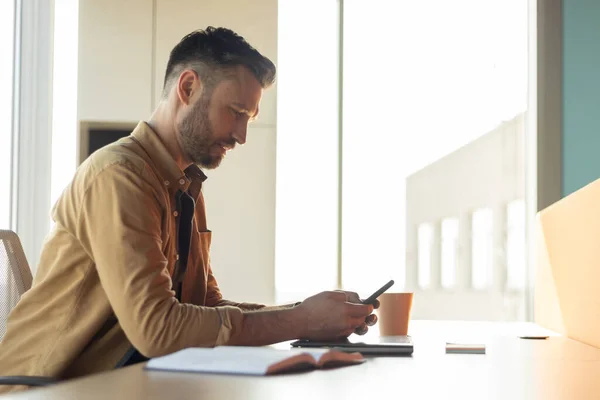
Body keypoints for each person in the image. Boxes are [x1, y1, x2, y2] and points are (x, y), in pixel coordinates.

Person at [0, 27, 377, 392]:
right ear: (188, 87)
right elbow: (158, 329)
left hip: (124, 382)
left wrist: (312, 316)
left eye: (249, 119)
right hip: (50, 389)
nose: (242, 135)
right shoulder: (119, 176)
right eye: (236, 112)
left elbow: (205, 306)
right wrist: (300, 319)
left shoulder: (185, 186)